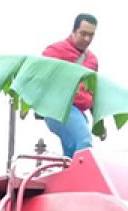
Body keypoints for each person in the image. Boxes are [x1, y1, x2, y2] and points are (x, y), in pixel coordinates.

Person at [41, 13, 99, 156]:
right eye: (83, 34)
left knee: (71, 150)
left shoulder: (92, 60)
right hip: (58, 108)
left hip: (78, 112)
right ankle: (81, 177)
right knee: (84, 142)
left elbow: (93, 91)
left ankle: (68, 175)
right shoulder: (54, 51)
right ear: (73, 31)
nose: (87, 39)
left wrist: (100, 124)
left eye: (91, 35)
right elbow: (37, 78)